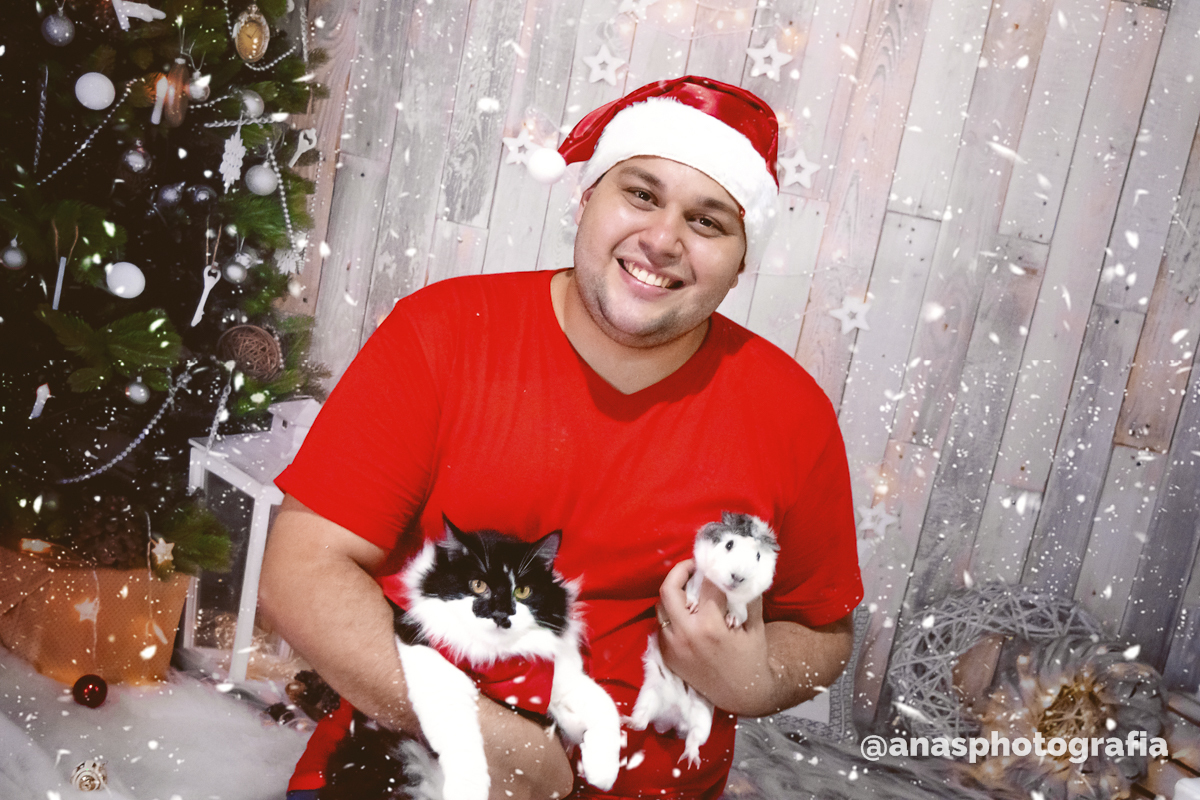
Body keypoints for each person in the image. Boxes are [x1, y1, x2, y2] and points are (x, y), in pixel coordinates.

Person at [260, 75, 863, 800]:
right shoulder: (444, 334)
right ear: (587, 200)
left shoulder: (789, 412)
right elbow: (301, 568)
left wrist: (756, 678)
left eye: (707, 222)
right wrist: (489, 740)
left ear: (740, 264)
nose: (662, 240)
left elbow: (822, 630)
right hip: (406, 770)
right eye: (641, 195)